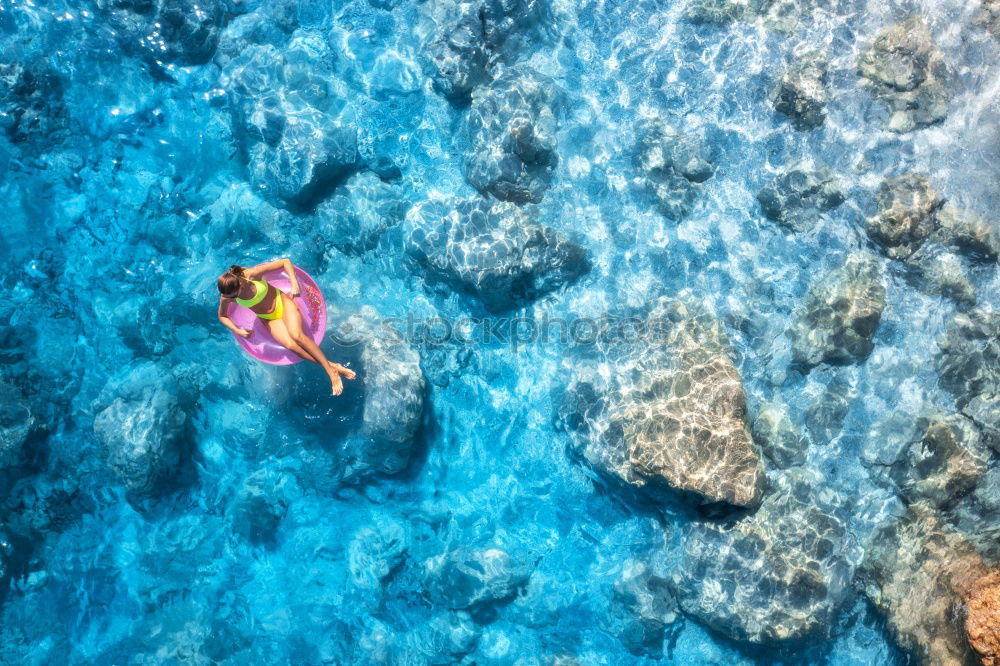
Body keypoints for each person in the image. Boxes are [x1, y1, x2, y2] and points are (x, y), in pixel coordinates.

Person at [217, 259, 356, 395]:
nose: (232, 299)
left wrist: (294, 283)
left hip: (281, 303)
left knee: (297, 335)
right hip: (268, 319)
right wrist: (237, 330)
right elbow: (222, 316)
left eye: (234, 295)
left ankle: (330, 372)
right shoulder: (228, 295)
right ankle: (333, 366)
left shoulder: (252, 274)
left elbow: (285, 262)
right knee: (291, 345)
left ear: (240, 283)